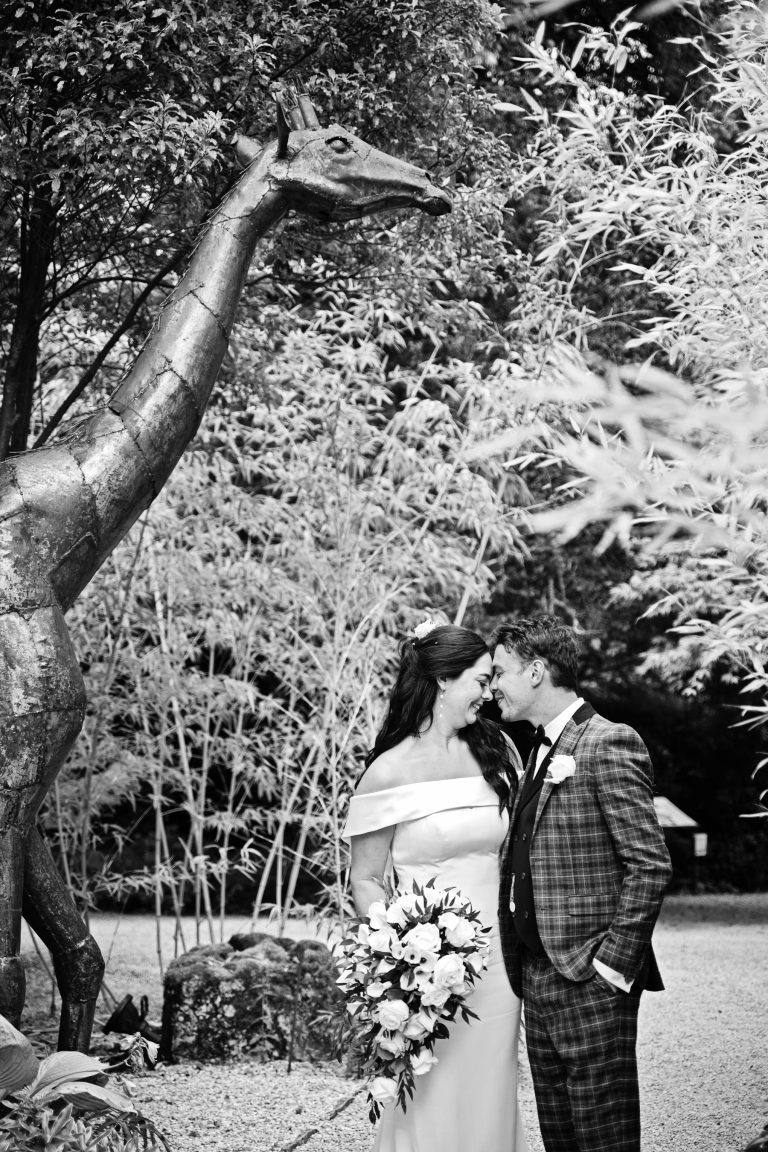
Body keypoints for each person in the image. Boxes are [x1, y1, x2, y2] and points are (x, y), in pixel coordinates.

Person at [343, 622, 528, 1152]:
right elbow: (365, 878)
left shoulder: (497, 751)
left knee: (490, 1086)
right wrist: (399, 954)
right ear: (444, 680)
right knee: (431, 1088)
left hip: (498, 963)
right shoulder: (388, 771)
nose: (489, 693)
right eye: (481, 680)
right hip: (425, 971)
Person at [491, 614, 673, 1152]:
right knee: (561, 1140)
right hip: (537, 974)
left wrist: (611, 967)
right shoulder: (537, 750)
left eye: (499, 672)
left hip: (589, 979)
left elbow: (649, 864)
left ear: (535, 672)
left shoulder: (608, 741)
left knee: (603, 1139)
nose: (492, 685)